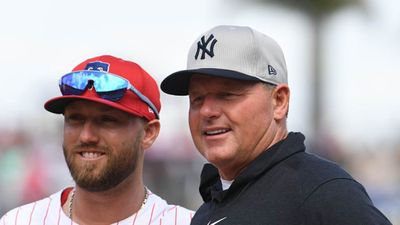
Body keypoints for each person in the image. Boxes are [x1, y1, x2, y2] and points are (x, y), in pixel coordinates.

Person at [160, 25, 392, 225]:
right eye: (196, 99)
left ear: (279, 101)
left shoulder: (322, 192)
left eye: (227, 95)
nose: (207, 111)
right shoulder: (210, 208)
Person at [0, 55, 194, 225]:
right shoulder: (20, 220)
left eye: (107, 120)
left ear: (148, 133)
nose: (86, 136)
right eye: (75, 119)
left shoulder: (186, 222)